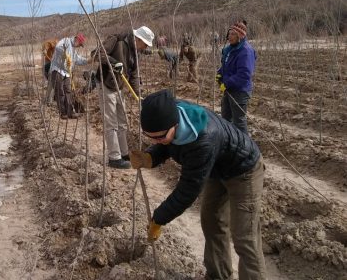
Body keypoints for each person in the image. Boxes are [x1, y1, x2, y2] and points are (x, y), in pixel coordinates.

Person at [130, 89, 266, 280]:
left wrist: (159, 218)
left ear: (175, 125)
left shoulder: (203, 140)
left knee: (245, 237)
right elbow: (167, 143)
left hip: (244, 170)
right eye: (150, 137)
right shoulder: (171, 116)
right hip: (216, 168)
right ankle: (218, 275)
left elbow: (188, 190)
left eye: (159, 137)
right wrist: (151, 156)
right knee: (211, 221)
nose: (156, 141)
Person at [93, 25, 155, 169]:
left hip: (119, 86)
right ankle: (114, 158)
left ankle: (124, 153)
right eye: (144, 44)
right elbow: (96, 54)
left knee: (122, 121)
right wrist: (114, 63)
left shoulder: (136, 52)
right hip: (106, 84)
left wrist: (139, 97)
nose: (145, 48)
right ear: (137, 39)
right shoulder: (117, 39)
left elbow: (133, 75)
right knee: (111, 122)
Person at [216, 21, 256, 133]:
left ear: (240, 36)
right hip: (229, 89)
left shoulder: (246, 51)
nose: (229, 36)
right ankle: (230, 143)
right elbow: (226, 65)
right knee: (226, 119)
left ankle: (245, 147)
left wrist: (227, 83)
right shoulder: (230, 49)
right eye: (229, 33)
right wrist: (220, 73)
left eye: (233, 34)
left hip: (240, 91)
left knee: (239, 122)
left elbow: (244, 74)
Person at [49, 33, 87, 119]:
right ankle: (63, 113)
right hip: (57, 70)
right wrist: (66, 55)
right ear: (76, 40)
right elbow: (58, 47)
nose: (79, 46)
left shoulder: (73, 49)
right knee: (60, 92)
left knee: (68, 91)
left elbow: (78, 59)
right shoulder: (66, 41)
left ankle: (70, 112)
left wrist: (87, 61)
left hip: (67, 73)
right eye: (79, 44)